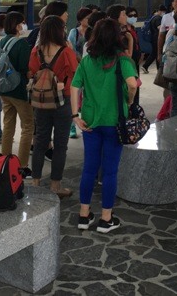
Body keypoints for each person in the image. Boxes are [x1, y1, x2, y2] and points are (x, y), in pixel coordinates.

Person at [71, 18, 138, 234]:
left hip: (90, 121)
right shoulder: (123, 61)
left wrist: (75, 115)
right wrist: (129, 100)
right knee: (109, 171)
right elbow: (131, 84)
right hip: (114, 122)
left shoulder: (87, 60)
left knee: (89, 168)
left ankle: (84, 215)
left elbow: (74, 87)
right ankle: (106, 218)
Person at [28, 16, 78, 198]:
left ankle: (35, 182)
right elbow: (75, 73)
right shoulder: (66, 51)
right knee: (60, 145)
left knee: (40, 142)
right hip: (62, 103)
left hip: (41, 102)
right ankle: (56, 185)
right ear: (59, 30)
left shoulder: (36, 51)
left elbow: (32, 71)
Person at [0, 11, 33, 176]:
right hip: (19, 90)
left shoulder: (1, 41)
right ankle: (23, 165)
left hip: (4, 89)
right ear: (18, 25)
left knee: (8, 124)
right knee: (27, 126)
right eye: (22, 22)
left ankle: (4, 160)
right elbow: (25, 68)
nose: (24, 25)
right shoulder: (21, 44)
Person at [141, 5, 166, 74]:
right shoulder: (158, 18)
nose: (164, 13)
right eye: (163, 11)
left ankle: (146, 66)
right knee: (157, 53)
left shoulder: (153, 17)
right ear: (160, 11)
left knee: (155, 53)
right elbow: (159, 28)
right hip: (157, 38)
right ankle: (156, 69)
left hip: (153, 38)